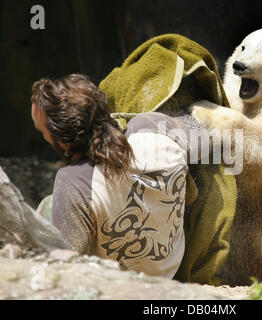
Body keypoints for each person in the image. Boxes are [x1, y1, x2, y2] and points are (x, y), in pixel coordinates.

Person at [31, 73, 206, 279]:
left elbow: (66, 267)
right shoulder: (155, 128)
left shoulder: (74, 181)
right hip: (170, 272)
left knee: (48, 206)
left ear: (66, 144)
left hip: (117, 285)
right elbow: (203, 131)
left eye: (43, 133)